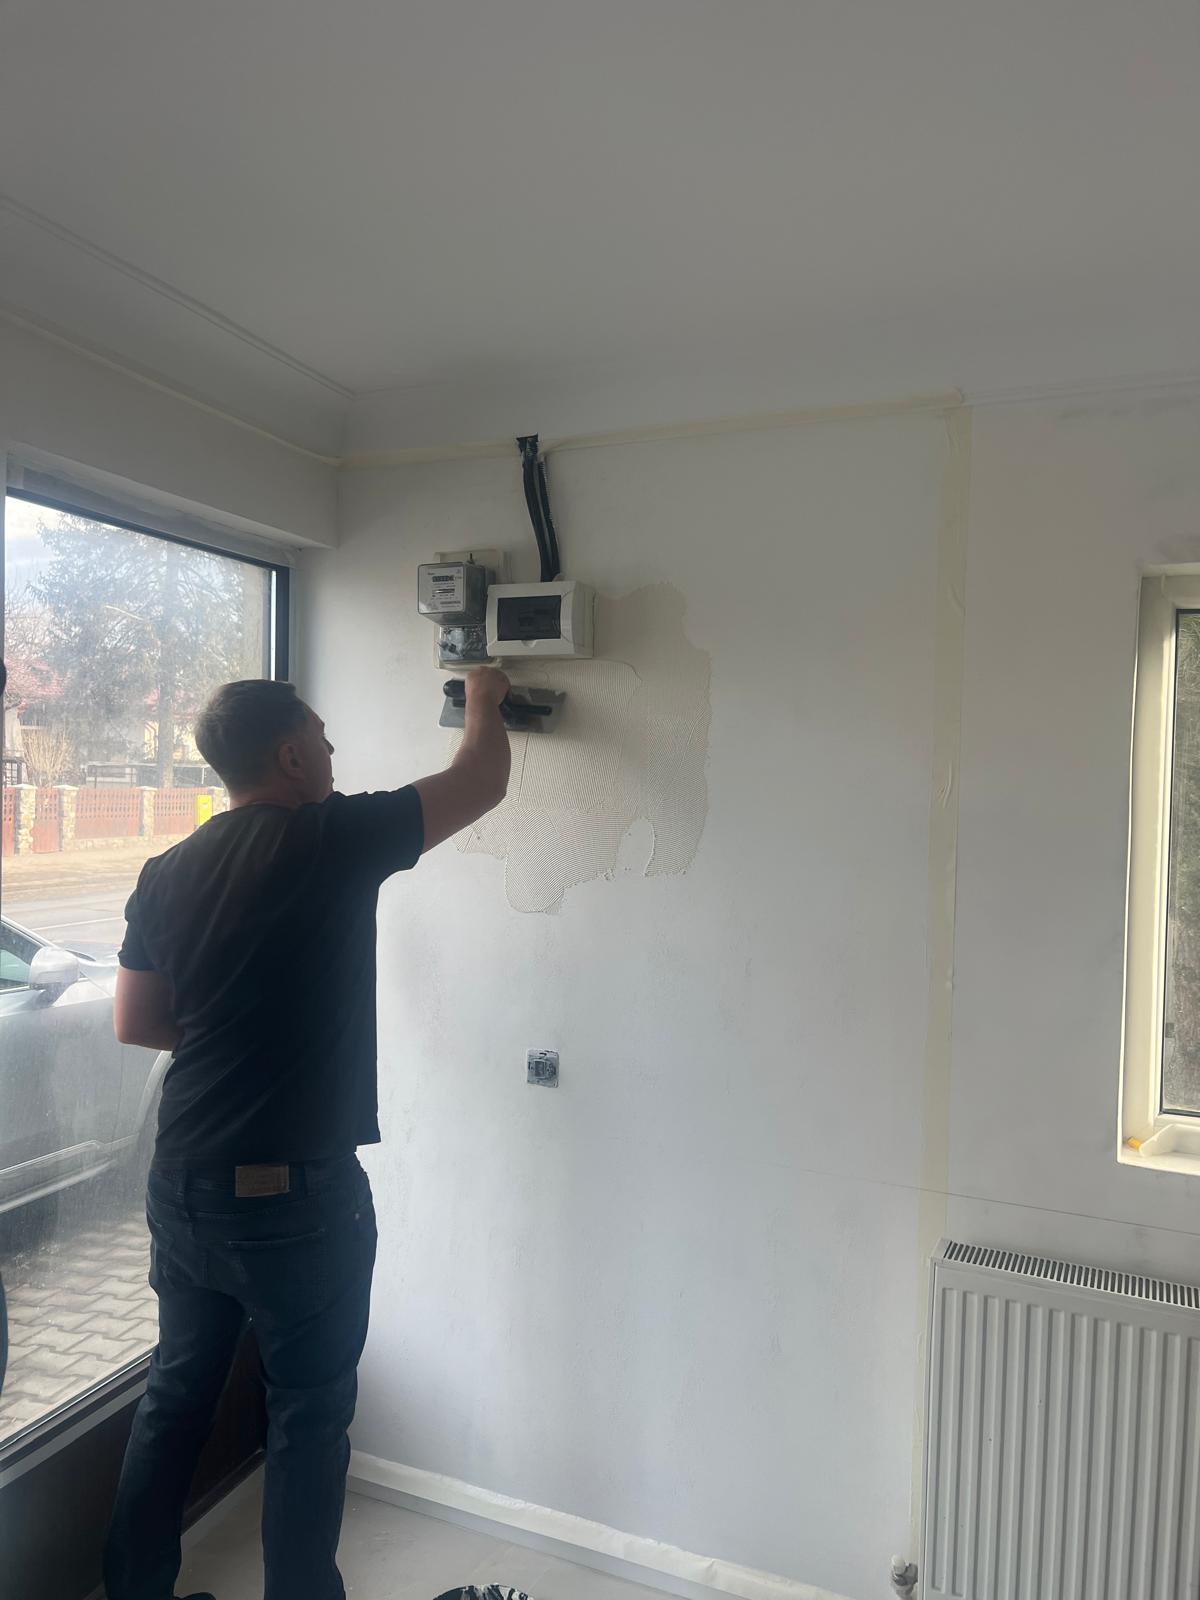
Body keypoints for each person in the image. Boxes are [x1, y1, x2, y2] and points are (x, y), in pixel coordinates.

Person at [103, 668, 512, 1600]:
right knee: (308, 1412)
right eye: (322, 738)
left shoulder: (165, 871)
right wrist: (485, 696)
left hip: (185, 1181)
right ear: (290, 757)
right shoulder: (331, 836)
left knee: (175, 1393)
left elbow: (136, 1022)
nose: (332, 751)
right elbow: (481, 781)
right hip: (295, 1198)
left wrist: (233, 1030)